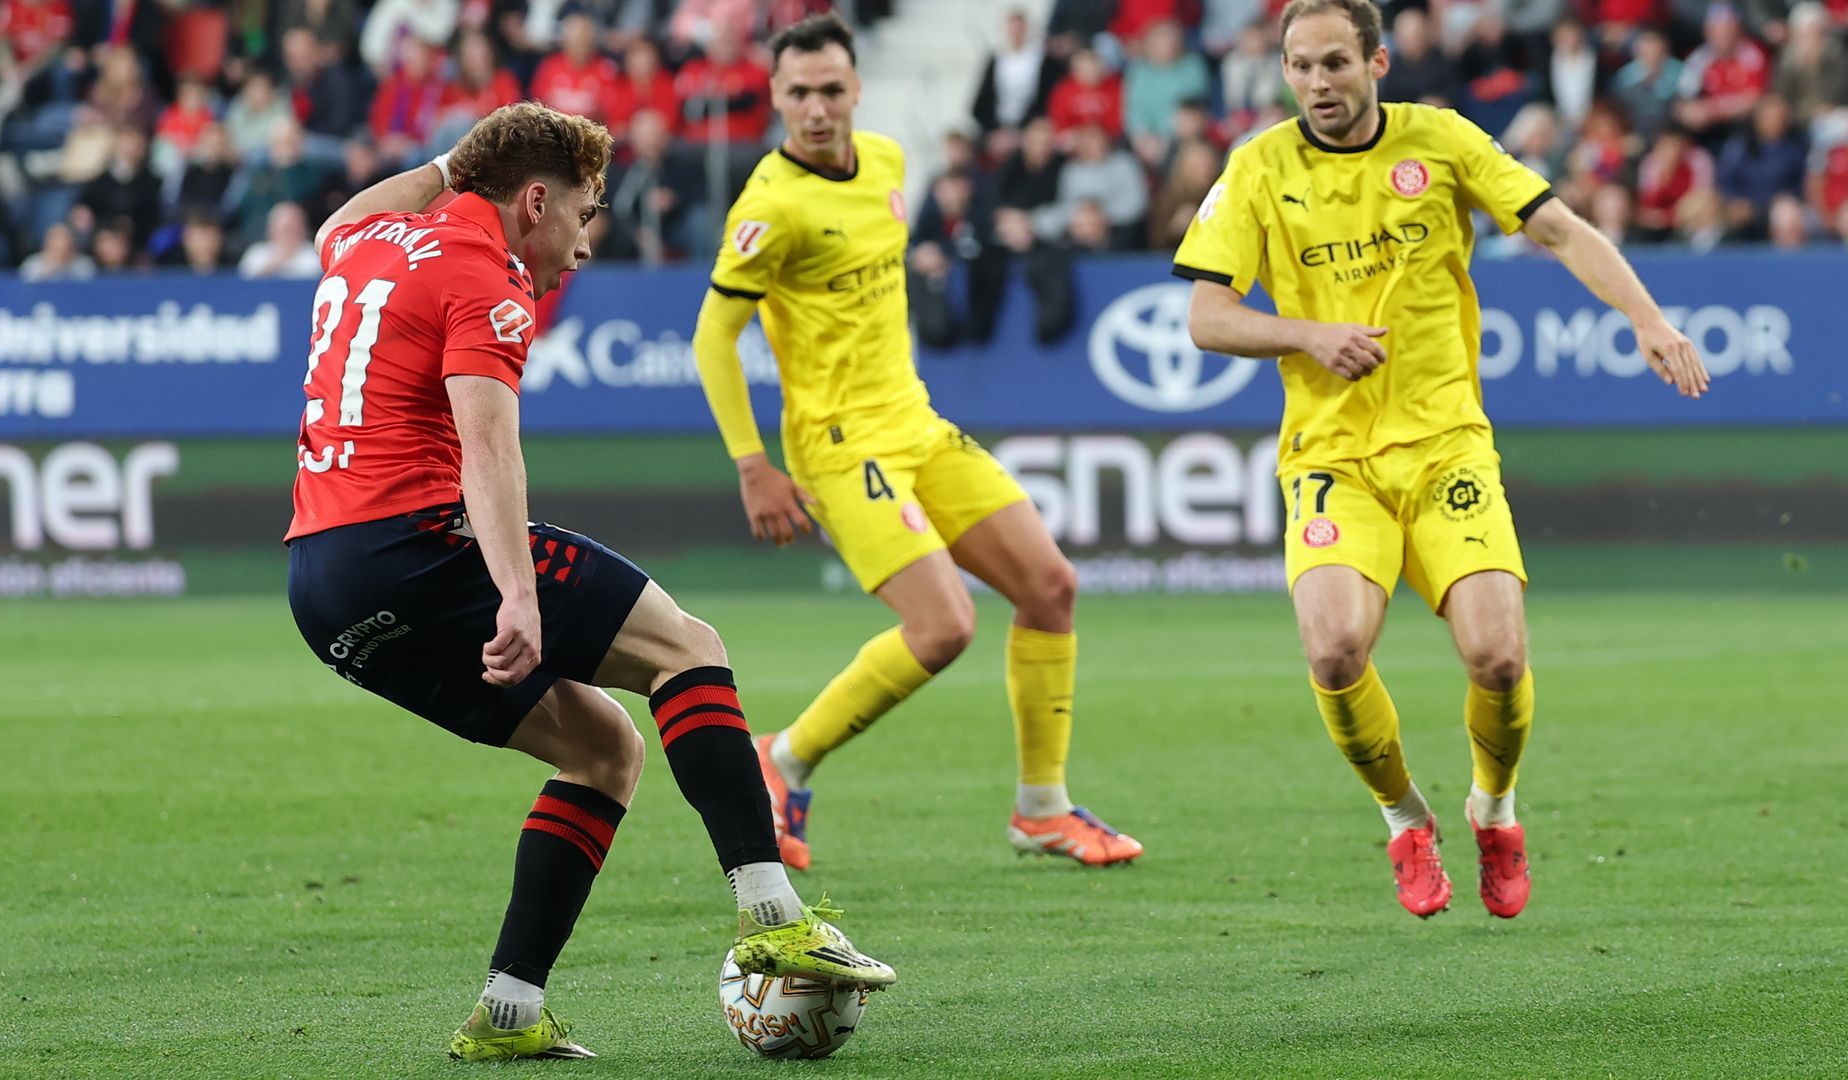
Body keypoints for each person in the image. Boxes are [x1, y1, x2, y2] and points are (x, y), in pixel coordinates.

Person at [284, 101, 894, 1063]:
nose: (584, 240)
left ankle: (510, 1010)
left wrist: (457, 159)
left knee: (606, 751)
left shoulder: (367, 239)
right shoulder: (486, 277)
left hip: (322, 589)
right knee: (688, 651)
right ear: (534, 201)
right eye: (585, 211)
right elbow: (487, 448)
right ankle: (773, 915)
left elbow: (331, 224)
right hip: (414, 542)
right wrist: (517, 595)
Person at [1175, 0, 1710, 921]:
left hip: (1446, 442)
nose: (1316, 84)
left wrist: (1647, 317)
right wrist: (1307, 334)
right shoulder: (1258, 167)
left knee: (1497, 658)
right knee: (1336, 648)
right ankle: (1404, 819)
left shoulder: (1445, 141)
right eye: (1299, 67)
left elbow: (1560, 228)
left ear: (1377, 62)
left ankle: (1494, 809)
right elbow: (1204, 315)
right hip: (1333, 455)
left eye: (1335, 63)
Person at [691, 15, 1143, 871]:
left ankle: (1042, 809)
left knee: (1051, 585)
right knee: (943, 626)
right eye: (798, 94)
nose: (817, 109)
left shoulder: (892, 162)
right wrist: (754, 464)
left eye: (831, 90)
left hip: (916, 423)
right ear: (778, 98)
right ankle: (779, 758)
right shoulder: (772, 206)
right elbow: (714, 338)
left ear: (857, 88)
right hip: (836, 443)